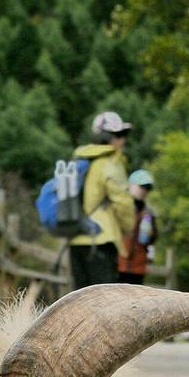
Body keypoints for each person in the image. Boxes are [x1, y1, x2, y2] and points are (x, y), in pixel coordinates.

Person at [69, 111, 136, 289]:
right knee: (105, 300)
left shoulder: (81, 159)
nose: (123, 140)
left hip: (76, 238)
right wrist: (129, 228)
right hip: (101, 239)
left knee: (79, 299)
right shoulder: (111, 162)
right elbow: (122, 201)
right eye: (119, 135)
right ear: (108, 137)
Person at [117, 169, 158, 285]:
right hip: (117, 265)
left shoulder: (148, 212)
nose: (144, 191)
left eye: (148, 188)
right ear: (131, 185)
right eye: (142, 186)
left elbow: (153, 238)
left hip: (138, 268)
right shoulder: (119, 207)